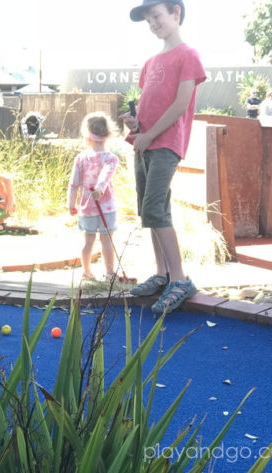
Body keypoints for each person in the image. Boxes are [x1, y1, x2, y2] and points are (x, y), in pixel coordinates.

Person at [121, 0, 206, 314]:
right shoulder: (151, 62)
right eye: (148, 20)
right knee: (149, 211)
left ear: (176, 13)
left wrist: (150, 134)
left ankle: (180, 279)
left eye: (156, 15)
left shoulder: (188, 55)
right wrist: (136, 125)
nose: (153, 23)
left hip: (165, 143)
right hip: (145, 142)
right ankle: (162, 274)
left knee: (155, 208)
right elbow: (148, 105)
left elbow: (180, 104)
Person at [67, 112, 119, 281]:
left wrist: (71, 204)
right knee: (106, 241)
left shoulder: (81, 158)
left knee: (88, 241)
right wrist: (100, 188)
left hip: (86, 207)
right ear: (107, 136)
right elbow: (106, 174)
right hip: (107, 207)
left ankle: (86, 271)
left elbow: (73, 184)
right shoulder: (111, 158)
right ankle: (110, 273)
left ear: (86, 136)